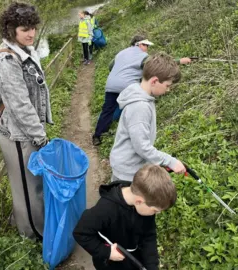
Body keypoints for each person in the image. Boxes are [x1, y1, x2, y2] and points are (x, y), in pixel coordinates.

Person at [0, 2, 51, 240]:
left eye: (33, 27)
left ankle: (37, 227)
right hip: (18, 136)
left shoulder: (26, 51)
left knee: (34, 185)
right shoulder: (6, 61)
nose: (31, 33)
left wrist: (40, 131)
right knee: (26, 189)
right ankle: (33, 235)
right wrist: (40, 137)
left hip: (30, 133)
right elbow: (19, 105)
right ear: (10, 29)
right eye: (25, 29)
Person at [73, 164, 177, 270]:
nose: (156, 214)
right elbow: (80, 232)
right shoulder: (105, 210)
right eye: (155, 210)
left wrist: (152, 266)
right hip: (110, 264)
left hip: (134, 258)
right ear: (139, 201)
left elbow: (149, 236)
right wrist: (106, 252)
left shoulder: (145, 204)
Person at [92, 36, 192, 146]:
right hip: (127, 86)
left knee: (108, 109)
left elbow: (111, 66)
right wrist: (180, 61)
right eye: (146, 45)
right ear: (139, 44)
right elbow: (157, 65)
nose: (147, 48)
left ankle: (97, 136)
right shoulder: (142, 55)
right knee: (127, 107)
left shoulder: (122, 53)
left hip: (111, 84)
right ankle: (128, 133)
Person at [109, 53, 187, 182]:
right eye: (167, 85)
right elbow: (141, 146)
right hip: (127, 172)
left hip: (130, 166)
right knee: (127, 201)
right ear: (155, 81)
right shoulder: (140, 106)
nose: (168, 90)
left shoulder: (142, 96)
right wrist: (170, 161)